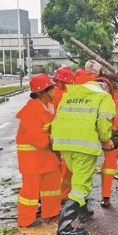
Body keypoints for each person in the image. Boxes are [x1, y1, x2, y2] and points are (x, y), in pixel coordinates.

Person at [51, 75, 116, 235]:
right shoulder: (104, 96)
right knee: (81, 186)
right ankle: (64, 226)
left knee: (79, 179)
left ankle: (83, 212)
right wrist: (106, 140)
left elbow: (58, 118)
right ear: (106, 88)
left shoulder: (70, 94)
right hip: (84, 146)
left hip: (64, 143)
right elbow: (103, 121)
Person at [15, 74, 62, 227]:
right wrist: (52, 141)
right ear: (42, 91)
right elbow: (37, 138)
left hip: (43, 156)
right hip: (32, 159)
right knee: (30, 191)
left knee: (52, 182)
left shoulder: (46, 106)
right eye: (51, 88)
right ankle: (26, 220)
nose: (55, 91)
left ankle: (51, 211)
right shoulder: (32, 110)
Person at [98, 77, 118, 208]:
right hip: (99, 137)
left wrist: (116, 126)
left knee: (109, 164)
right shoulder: (95, 100)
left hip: (112, 138)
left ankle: (105, 196)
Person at [52, 66, 76, 201]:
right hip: (63, 135)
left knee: (57, 166)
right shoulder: (63, 95)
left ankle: (56, 193)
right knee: (66, 167)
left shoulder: (51, 93)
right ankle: (63, 194)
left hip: (54, 135)